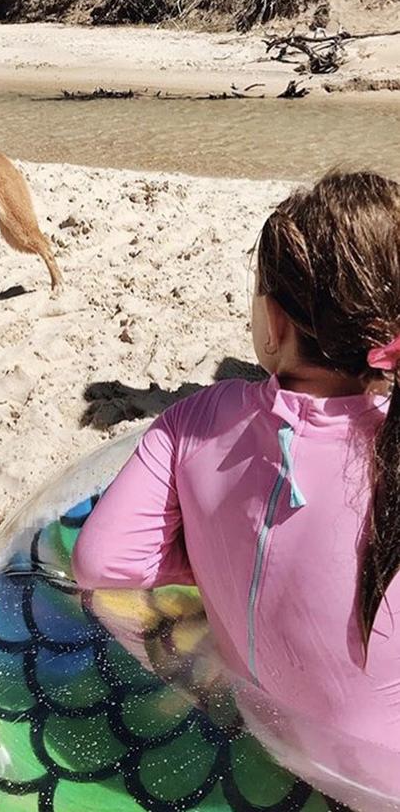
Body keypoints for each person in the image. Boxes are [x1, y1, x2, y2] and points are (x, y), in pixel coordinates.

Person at [72, 172, 400, 806]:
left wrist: (218, 555)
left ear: (274, 320)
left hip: (271, 737)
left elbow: (100, 561)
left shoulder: (197, 419)